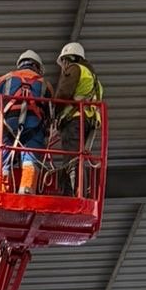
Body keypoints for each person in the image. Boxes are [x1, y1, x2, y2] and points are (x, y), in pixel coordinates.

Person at [0, 49, 49, 195]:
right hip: (33, 127)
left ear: (20, 65)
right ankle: (26, 191)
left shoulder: (6, 79)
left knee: (1, 157)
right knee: (31, 158)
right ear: (37, 67)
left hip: (8, 125)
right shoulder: (45, 85)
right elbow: (52, 112)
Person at [50, 40, 103, 195]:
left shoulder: (74, 69)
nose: (64, 67)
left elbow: (63, 94)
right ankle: (78, 191)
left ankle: (73, 193)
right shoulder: (94, 79)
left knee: (72, 158)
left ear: (68, 59)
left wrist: (54, 114)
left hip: (75, 120)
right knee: (78, 157)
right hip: (88, 121)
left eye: (64, 62)